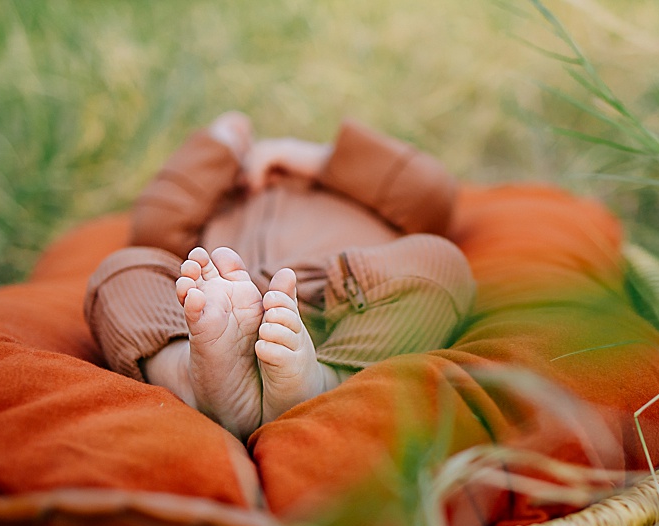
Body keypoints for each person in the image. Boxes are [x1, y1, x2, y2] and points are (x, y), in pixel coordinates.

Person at [84, 111, 475, 440]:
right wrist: (217, 145)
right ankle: (195, 378)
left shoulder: (357, 195)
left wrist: (310, 158)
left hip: (341, 306)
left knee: (440, 262)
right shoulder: (216, 211)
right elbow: (154, 227)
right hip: (218, 319)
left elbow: (430, 195)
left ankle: (322, 378)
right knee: (120, 272)